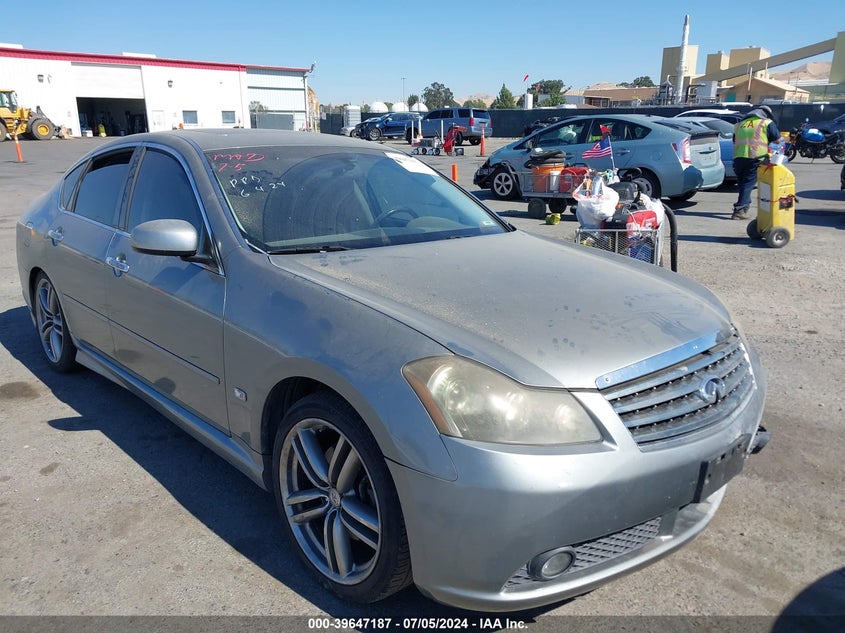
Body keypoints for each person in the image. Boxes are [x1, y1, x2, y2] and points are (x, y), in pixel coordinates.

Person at [731, 104, 781, 220]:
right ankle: (739, 210)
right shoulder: (766, 123)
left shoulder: (739, 124)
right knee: (747, 184)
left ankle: (743, 205)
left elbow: (735, 140)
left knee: (744, 184)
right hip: (755, 157)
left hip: (739, 158)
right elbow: (778, 140)